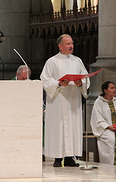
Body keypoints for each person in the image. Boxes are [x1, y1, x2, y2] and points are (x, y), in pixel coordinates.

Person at [40, 34, 89, 167]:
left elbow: (85, 77)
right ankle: (57, 157)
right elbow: (45, 79)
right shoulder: (52, 61)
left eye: (72, 43)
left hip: (73, 100)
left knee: (73, 127)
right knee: (58, 127)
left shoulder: (77, 61)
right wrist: (58, 83)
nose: (71, 46)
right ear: (60, 46)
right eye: (68, 44)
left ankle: (69, 158)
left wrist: (81, 83)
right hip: (58, 100)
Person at [90, 81, 116, 168]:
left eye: (114, 88)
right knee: (111, 139)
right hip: (106, 129)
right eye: (111, 88)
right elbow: (97, 118)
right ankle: (109, 165)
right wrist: (108, 127)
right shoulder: (98, 102)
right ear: (105, 90)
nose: (114, 90)